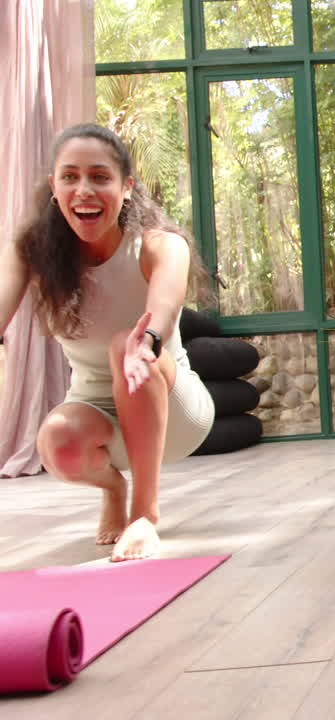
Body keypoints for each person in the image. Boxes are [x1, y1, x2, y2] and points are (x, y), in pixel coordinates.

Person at [0, 123, 215, 561]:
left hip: (174, 411)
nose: (84, 189)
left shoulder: (159, 245)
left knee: (126, 343)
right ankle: (113, 487)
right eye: (70, 177)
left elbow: (165, 304)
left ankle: (144, 517)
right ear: (54, 188)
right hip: (100, 418)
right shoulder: (33, 252)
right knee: (57, 439)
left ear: (127, 187)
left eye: (100, 177)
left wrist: (147, 341)